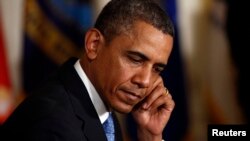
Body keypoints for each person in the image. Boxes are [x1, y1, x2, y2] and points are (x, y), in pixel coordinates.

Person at [0, 0, 175, 140]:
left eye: (157, 69)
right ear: (94, 45)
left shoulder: (102, 110)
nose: (145, 81)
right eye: (136, 59)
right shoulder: (52, 125)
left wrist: (150, 136)